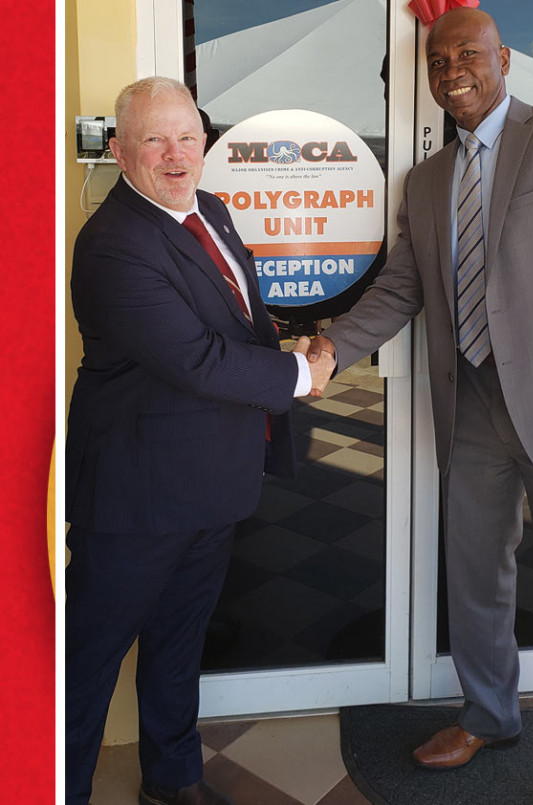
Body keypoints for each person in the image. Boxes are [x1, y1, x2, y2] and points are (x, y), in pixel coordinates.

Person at [307, 8, 533, 804]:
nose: (451, 69)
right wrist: (329, 350)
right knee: (473, 578)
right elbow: (404, 286)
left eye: (467, 53)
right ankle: (490, 713)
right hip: (469, 404)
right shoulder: (427, 181)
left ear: (503, 57)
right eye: (437, 60)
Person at [65, 77, 334, 805]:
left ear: (206, 142)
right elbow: (194, 359)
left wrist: (290, 341)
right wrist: (301, 376)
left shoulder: (209, 209)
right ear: (119, 151)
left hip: (212, 480)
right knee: (85, 660)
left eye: (186, 135)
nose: (174, 153)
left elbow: (235, 323)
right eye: (153, 138)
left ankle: (173, 777)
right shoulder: (112, 245)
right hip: (135, 494)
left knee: (179, 643)